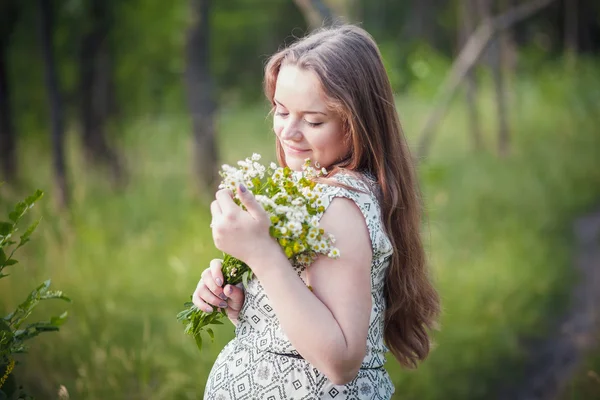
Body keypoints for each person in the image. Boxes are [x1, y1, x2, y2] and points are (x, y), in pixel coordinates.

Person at [192, 24, 440, 399]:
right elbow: (307, 317)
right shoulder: (322, 193)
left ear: (356, 125)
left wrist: (260, 254)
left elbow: (339, 361)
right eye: (281, 111)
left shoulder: (336, 205)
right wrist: (247, 303)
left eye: (313, 120)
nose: (288, 132)